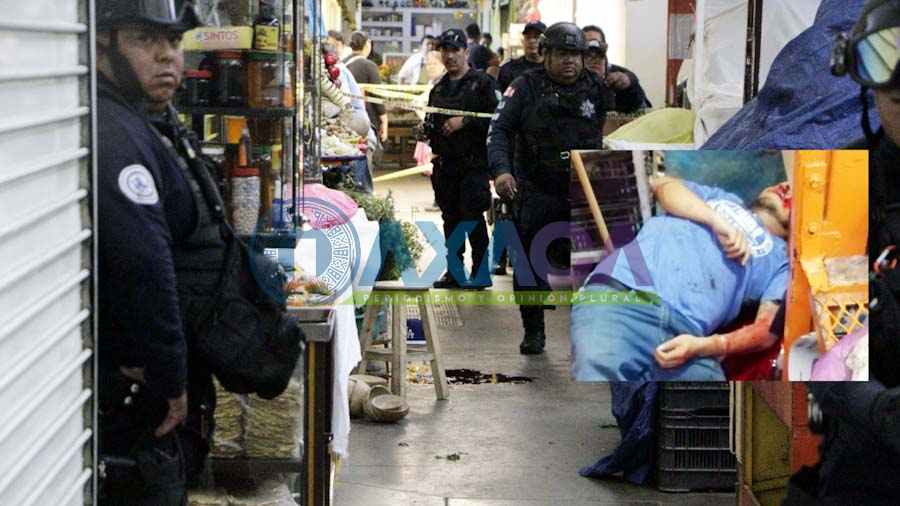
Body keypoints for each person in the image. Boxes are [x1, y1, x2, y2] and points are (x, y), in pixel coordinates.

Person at [786, 1, 900, 504]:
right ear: (872, 94)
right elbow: (821, 348)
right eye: (898, 96)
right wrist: (880, 412)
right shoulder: (844, 185)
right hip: (868, 465)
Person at [94, 1, 202, 503]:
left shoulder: (136, 119)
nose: (167, 57)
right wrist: (170, 377)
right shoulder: (115, 132)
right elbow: (144, 263)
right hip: (135, 389)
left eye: (175, 43)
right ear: (101, 43)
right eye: (145, 40)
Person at [570, 177, 791, 381]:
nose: (786, 187)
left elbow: (766, 331)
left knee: (712, 408)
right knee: (597, 373)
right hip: (624, 299)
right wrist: (715, 220)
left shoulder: (783, 260)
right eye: (785, 182)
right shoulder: (721, 198)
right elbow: (664, 186)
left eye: (796, 195)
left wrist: (704, 346)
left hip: (686, 336)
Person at [488, 22, 612, 354]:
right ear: (546, 54)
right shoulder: (525, 86)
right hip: (537, 187)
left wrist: (628, 85)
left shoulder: (597, 87)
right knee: (529, 264)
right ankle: (533, 330)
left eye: (575, 54)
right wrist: (502, 172)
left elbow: (630, 109)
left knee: (596, 265)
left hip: (585, 189)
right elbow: (499, 130)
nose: (569, 61)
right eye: (561, 53)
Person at [423, 29, 500, 290]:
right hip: (445, 166)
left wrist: (464, 121)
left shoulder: (482, 84)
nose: (450, 55)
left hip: (473, 165)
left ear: (466, 52)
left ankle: (480, 272)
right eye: (445, 50)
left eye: (455, 50)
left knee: (472, 216)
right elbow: (431, 121)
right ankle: (455, 271)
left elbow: (496, 119)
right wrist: (424, 130)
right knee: (450, 219)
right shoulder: (440, 87)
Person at [582, 25, 651, 113]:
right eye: (588, 54)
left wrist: (629, 85)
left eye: (598, 52)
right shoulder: (571, 77)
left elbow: (641, 107)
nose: (593, 58)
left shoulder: (619, 75)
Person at [344, 31, 389, 145]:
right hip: (367, 115)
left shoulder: (343, 63)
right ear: (367, 45)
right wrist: (384, 120)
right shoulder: (369, 65)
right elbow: (377, 95)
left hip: (346, 114)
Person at [496, 21, 546, 93]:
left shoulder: (553, 69)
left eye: (536, 37)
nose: (531, 41)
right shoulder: (509, 69)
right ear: (523, 41)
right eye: (528, 37)